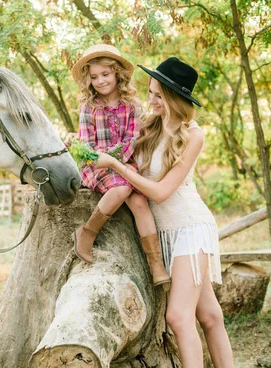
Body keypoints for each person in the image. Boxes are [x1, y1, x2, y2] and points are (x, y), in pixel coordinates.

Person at [95, 57, 234, 366]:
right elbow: (117, 147)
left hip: (189, 228)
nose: (150, 100)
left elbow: (160, 191)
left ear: (174, 97)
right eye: (150, 92)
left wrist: (116, 165)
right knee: (209, 316)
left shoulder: (192, 135)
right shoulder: (149, 127)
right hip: (164, 233)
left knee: (179, 316)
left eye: (158, 95)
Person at [67, 44, 170, 286]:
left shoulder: (132, 105)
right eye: (94, 77)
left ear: (117, 74)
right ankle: (87, 232)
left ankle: (155, 264)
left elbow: (132, 138)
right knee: (124, 189)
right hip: (97, 167)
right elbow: (86, 145)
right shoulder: (88, 108)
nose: (100, 81)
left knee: (139, 201)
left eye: (105, 74)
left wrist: (118, 159)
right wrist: (101, 159)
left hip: (124, 164)